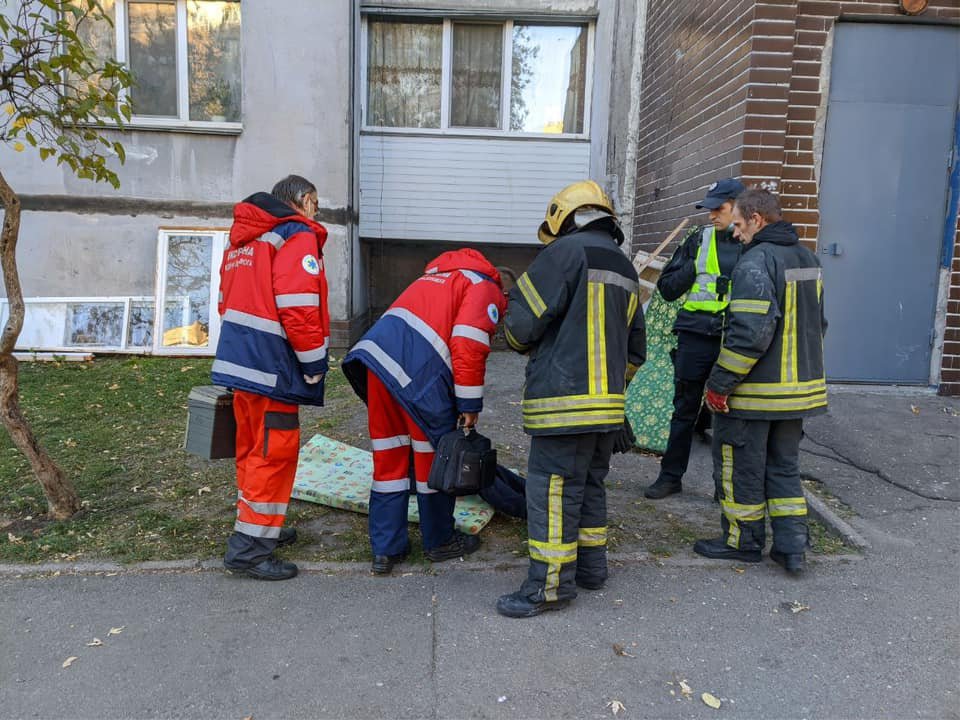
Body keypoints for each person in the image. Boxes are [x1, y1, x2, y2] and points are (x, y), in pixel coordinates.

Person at [496, 180, 646, 618]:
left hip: (561, 406)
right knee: (589, 485)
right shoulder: (625, 268)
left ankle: (548, 587)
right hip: (607, 410)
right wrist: (611, 392)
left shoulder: (562, 254)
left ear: (563, 219)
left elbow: (519, 329)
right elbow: (636, 351)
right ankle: (591, 569)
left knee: (552, 492)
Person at [342, 249, 506, 575]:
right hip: (419, 377)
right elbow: (469, 344)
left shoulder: (435, 278)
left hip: (375, 365)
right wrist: (469, 405)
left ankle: (386, 550)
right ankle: (439, 541)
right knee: (433, 460)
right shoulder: (484, 287)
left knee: (389, 461)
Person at [693, 188, 827, 575]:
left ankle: (742, 542)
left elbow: (749, 334)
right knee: (784, 468)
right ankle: (792, 547)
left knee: (741, 469)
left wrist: (719, 384)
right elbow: (819, 325)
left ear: (757, 219)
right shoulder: (808, 259)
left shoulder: (756, 261)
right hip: (797, 394)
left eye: (738, 224)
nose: (735, 233)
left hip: (754, 395)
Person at [213, 175, 330, 581]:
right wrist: (314, 365)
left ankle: (259, 529)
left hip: (241, 365)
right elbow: (300, 308)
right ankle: (249, 551)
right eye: (316, 204)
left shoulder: (243, 240)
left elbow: (224, 301)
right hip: (273, 367)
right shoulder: (296, 235)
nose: (317, 212)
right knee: (273, 454)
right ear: (305, 200)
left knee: (251, 449)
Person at [644, 178, 745, 500]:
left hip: (735, 339)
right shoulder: (699, 239)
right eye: (709, 209)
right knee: (684, 411)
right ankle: (670, 477)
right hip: (695, 336)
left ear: (739, 206)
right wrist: (693, 265)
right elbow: (667, 288)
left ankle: (724, 487)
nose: (712, 215)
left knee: (731, 413)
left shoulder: (754, 243)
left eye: (719, 208)